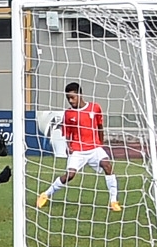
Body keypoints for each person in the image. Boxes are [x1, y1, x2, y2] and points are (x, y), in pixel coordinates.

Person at [34, 82, 121, 213]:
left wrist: (100, 144)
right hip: (78, 150)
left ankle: (113, 201)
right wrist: (69, 146)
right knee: (70, 175)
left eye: (72, 97)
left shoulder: (95, 108)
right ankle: (45, 194)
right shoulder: (68, 114)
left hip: (94, 147)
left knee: (107, 166)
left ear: (80, 95)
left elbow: (100, 127)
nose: (70, 100)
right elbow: (67, 132)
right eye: (68, 98)